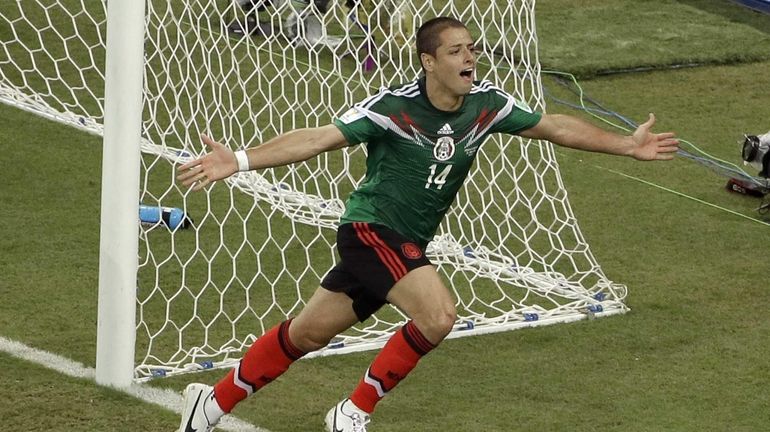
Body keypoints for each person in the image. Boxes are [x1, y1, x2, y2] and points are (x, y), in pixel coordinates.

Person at [176, 16, 679, 432]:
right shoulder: (393, 109)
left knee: (306, 336)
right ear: (429, 62)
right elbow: (317, 139)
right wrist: (239, 161)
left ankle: (209, 406)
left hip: (405, 241)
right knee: (438, 316)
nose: (469, 59)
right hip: (371, 232)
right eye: (457, 51)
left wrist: (628, 146)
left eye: (472, 49)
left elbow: (555, 127)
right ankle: (351, 414)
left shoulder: (487, 105)